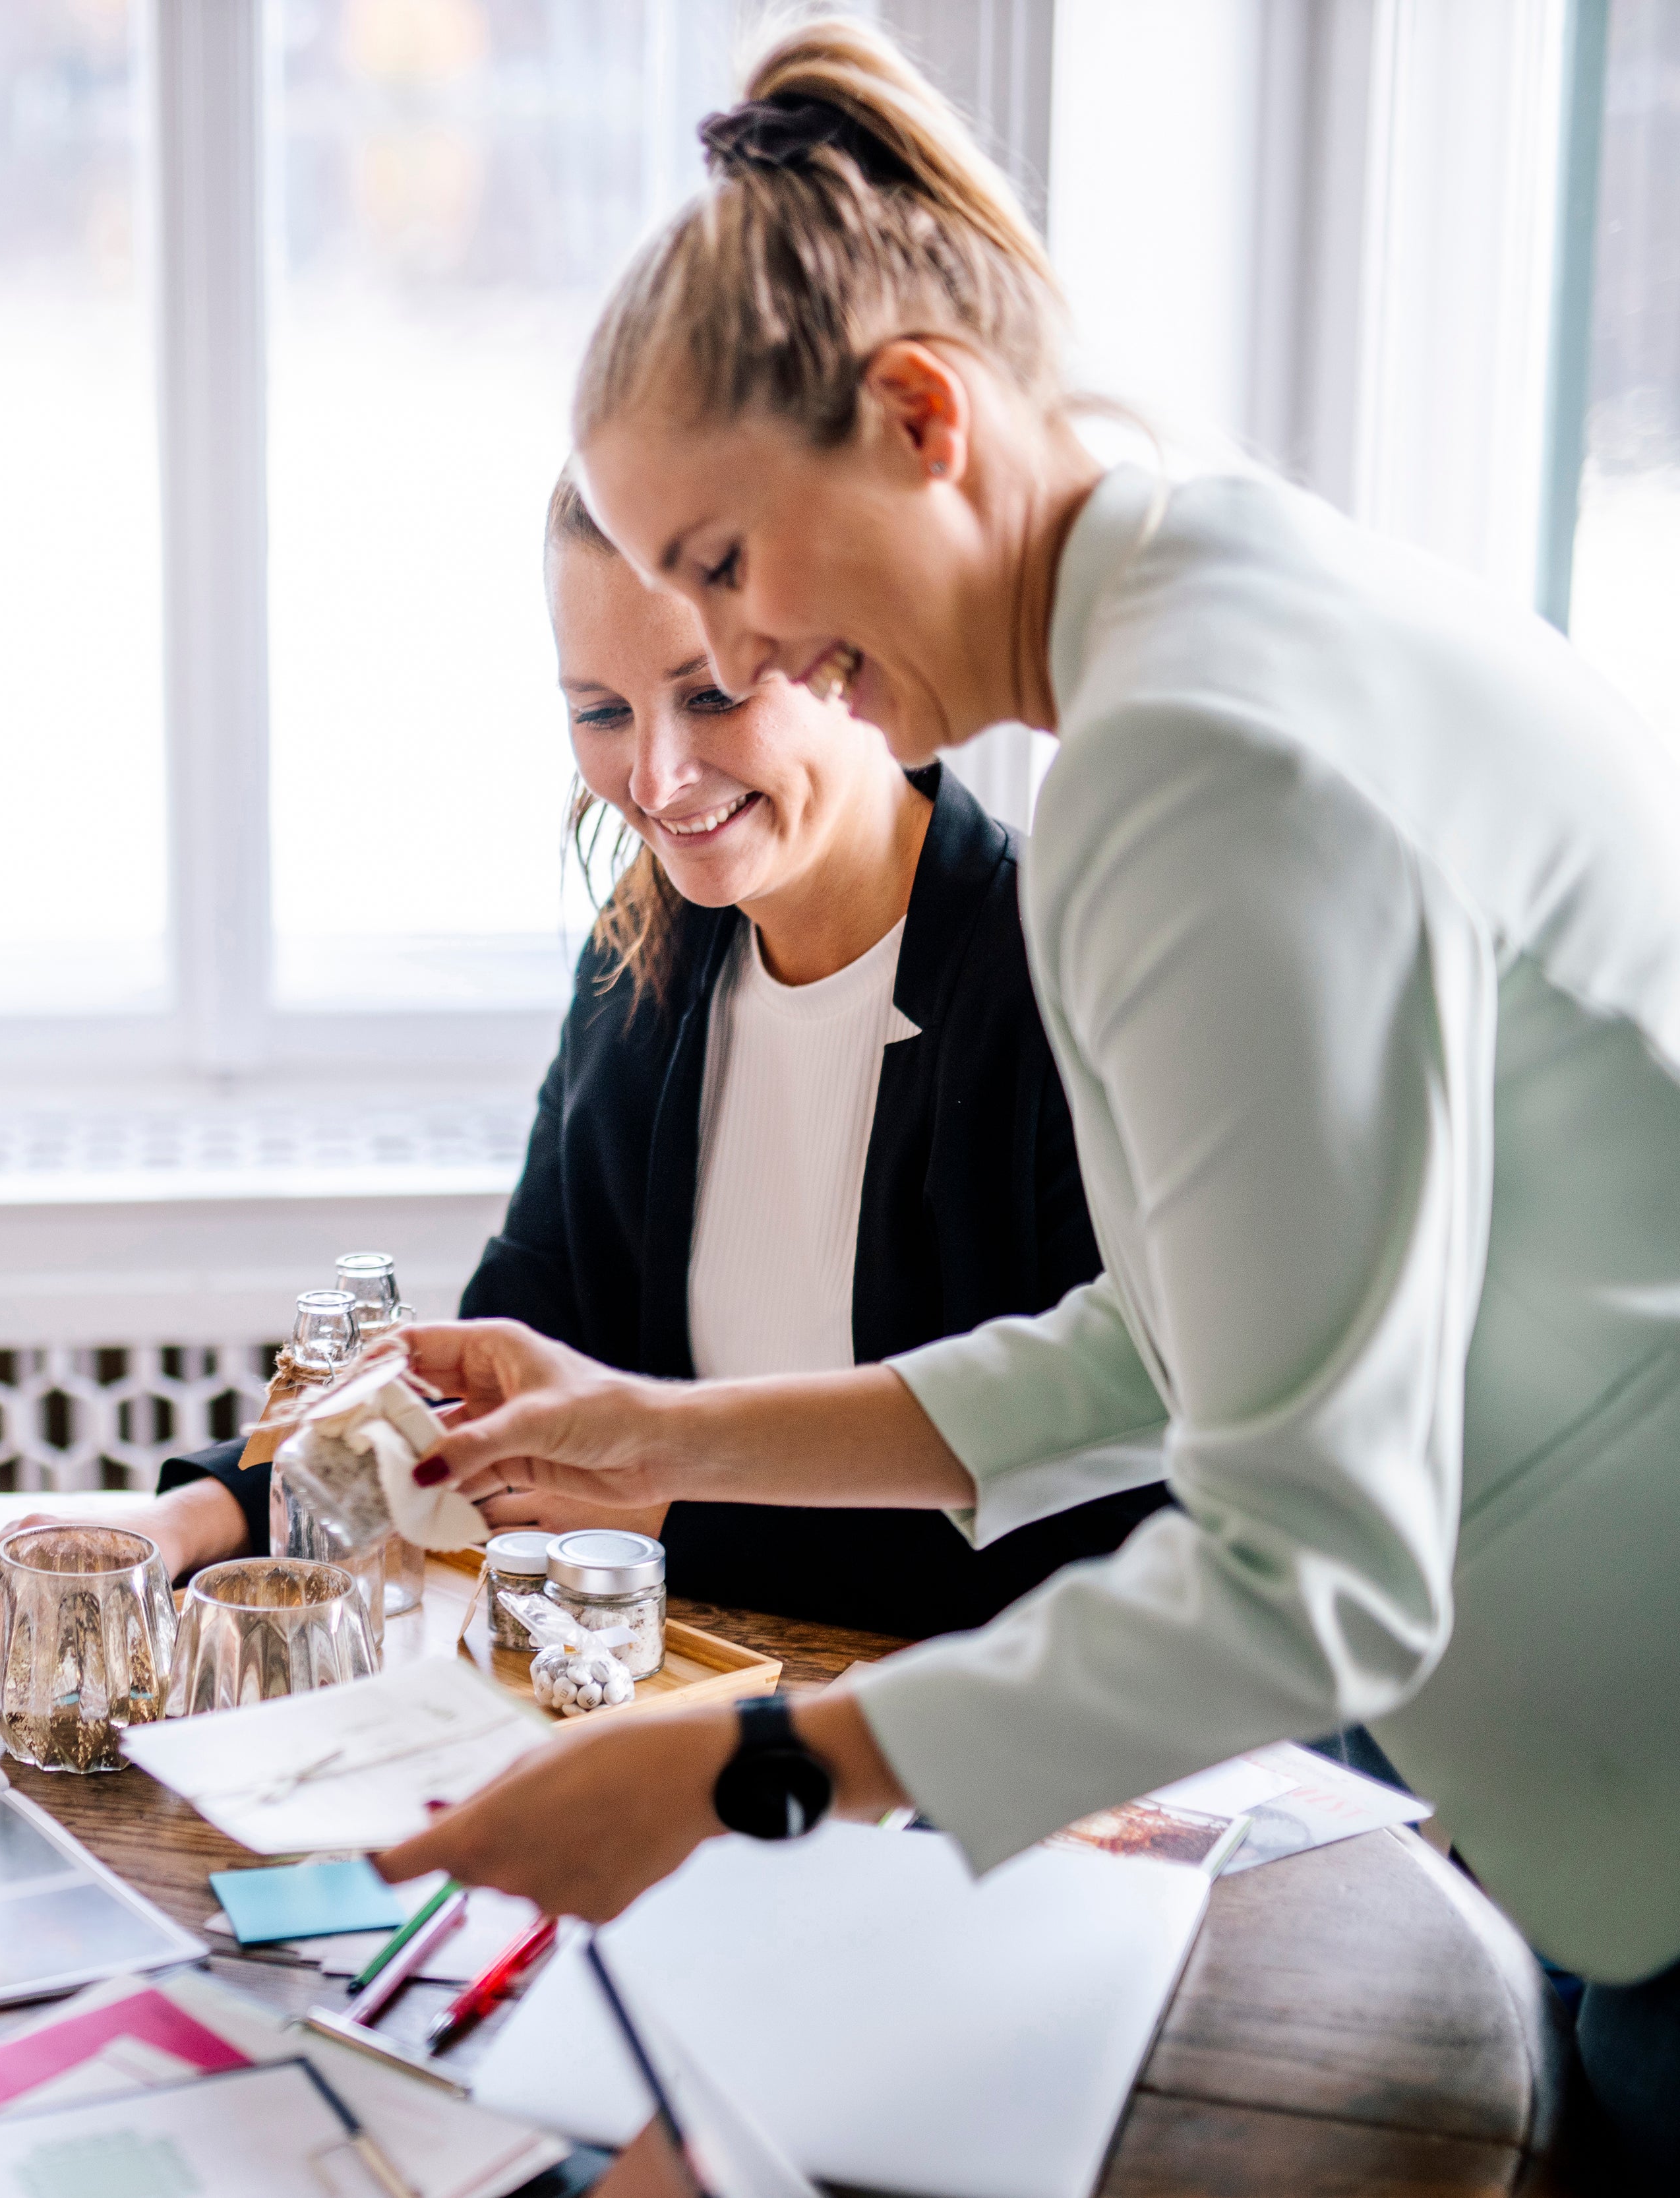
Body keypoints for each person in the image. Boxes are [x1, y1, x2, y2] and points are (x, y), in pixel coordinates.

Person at [375, 18, 1680, 2180]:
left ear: (918, 418)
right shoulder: (1211, 618)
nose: (735, 665)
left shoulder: (1195, 771)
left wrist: (740, 1771)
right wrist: (665, 1432)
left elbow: (1310, 1581)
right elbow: (1175, 1334)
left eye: (719, 564)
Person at [0, 461, 1161, 1657]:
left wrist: (664, 1509)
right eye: (602, 712)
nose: (655, 777)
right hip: (699, 1713)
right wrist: (190, 1519)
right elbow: (506, 1366)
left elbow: (1103, 1534)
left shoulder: (1068, 981)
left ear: (854, 655)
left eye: (711, 692)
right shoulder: (645, 968)